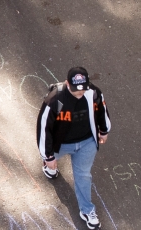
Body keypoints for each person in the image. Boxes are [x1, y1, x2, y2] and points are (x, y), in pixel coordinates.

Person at [36, 67, 112, 229]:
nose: (79, 93)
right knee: (51, 161)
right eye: (74, 89)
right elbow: (44, 128)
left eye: (82, 89)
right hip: (60, 143)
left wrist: (104, 130)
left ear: (88, 84)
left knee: (83, 175)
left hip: (87, 142)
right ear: (66, 83)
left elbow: (102, 111)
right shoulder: (56, 100)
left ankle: (87, 210)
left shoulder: (93, 93)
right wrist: (48, 156)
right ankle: (49, 166)